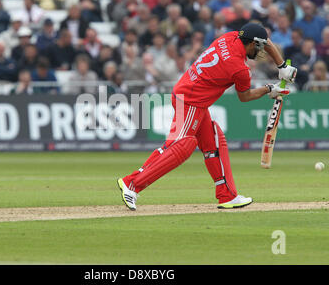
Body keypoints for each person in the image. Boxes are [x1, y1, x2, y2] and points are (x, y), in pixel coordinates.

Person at [117, 22, 297, 211]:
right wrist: (270, 89)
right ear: (252, 43)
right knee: (181, 146)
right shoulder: (239, 69)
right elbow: (245, 97)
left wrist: (282, 65)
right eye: (258, 47)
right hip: (190, 100)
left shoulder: (229, 37)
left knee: (214, 140)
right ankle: (132, 183)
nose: (260, 51)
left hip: (193, 98)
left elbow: (265, 40)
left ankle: (227, 195)